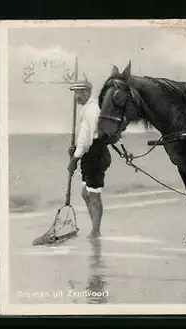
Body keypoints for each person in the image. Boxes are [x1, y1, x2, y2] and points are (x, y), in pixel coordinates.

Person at [67, 79, 112, 239]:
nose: (76, 98)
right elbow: (83, 137)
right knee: (86, 194)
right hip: (90, 153)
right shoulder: (87, 108)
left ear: (86, 92)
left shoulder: (92, 109)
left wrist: (74, 158)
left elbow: (89, 138)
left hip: (96, 153)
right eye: (75, 94)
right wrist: (76, 151)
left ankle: (96, 231)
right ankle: (95, 227)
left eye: (77, 94)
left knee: (93, 195)